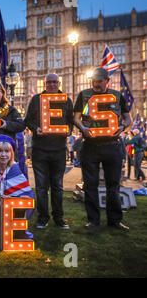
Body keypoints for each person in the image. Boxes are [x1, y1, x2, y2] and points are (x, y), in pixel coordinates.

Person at [73, 67, 132, 231]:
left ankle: (115, 220)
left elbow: (128, 118)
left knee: (113, 185)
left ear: (108, 80)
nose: (96, 83)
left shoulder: (117, 96)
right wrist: (82, 128)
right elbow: (76, 117)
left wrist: (123, 126)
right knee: (90, 184)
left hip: (112, 145)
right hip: (90, 145)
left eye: (100, 80)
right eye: (94, 80)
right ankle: (93, 220)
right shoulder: (84, 95)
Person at [24, 73, 74, 229]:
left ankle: (58, 218)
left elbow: (71, 122)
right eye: (48, 82)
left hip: (59, 149)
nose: (51, 85)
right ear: (44, 83)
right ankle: (43, 218)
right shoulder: (36, 99)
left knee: (57, 187)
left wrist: (69, 131)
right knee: (41, 187)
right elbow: (28, 121)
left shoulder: (66, 100)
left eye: (54, 82)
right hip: (40, 150)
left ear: (59, 83)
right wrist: (35, 128)